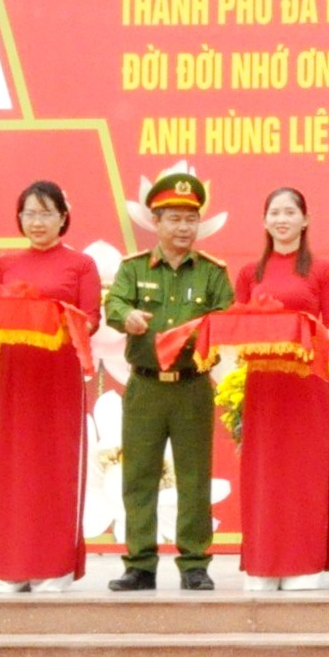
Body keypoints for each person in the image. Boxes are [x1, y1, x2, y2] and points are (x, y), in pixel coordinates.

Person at [104, 172, 235, 592]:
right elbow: (114, 304)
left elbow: (229, 317)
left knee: (194, 475)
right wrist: (129, 316)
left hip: (192, 385)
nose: (182, 228)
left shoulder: (214, 272)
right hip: (144, 387)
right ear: (155, 223)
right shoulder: (133, 268)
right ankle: (139, 563)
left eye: (189, 219)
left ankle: (194, 562)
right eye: (173, 219)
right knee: (139, 474)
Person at [0, 181, 101, 593]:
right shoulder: (4, 263)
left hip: (57, 374)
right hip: (15, 375)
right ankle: (11, 565)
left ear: (63, 217)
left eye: (46, 213)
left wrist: (47, 313)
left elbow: (89, 319)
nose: (37, 222)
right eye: (29, 213)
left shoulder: (81, 265)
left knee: (54, 466)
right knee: (14, 467)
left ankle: (53, 565)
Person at [232, 187, 329, 591]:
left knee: (302, 472)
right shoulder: (250, 273)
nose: (282, 219)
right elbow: (238, 325)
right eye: (274, 212)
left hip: (306, 381)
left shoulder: (322, 270)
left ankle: (302, 563)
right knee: (264, 472)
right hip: (264, 385)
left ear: (305, 219)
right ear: (264, 221)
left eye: (290, 212)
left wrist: (300, 334)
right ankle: (262, 561)